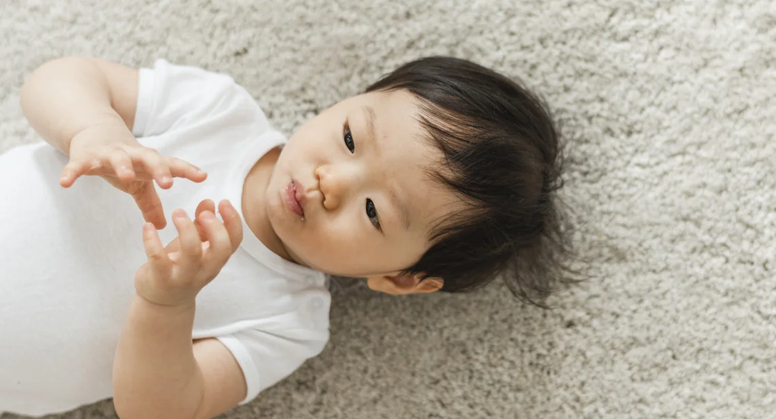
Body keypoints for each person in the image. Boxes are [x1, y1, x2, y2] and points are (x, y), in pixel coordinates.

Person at [0, 55, 573, 419]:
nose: (333, 182)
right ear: (348, 101)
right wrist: (95, 128)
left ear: (400, 277)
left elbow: (157, 410)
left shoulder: (288, 322)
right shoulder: (216, 111)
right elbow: (61, 77)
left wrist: (166, 305)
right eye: (350, 138)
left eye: (373, 211)